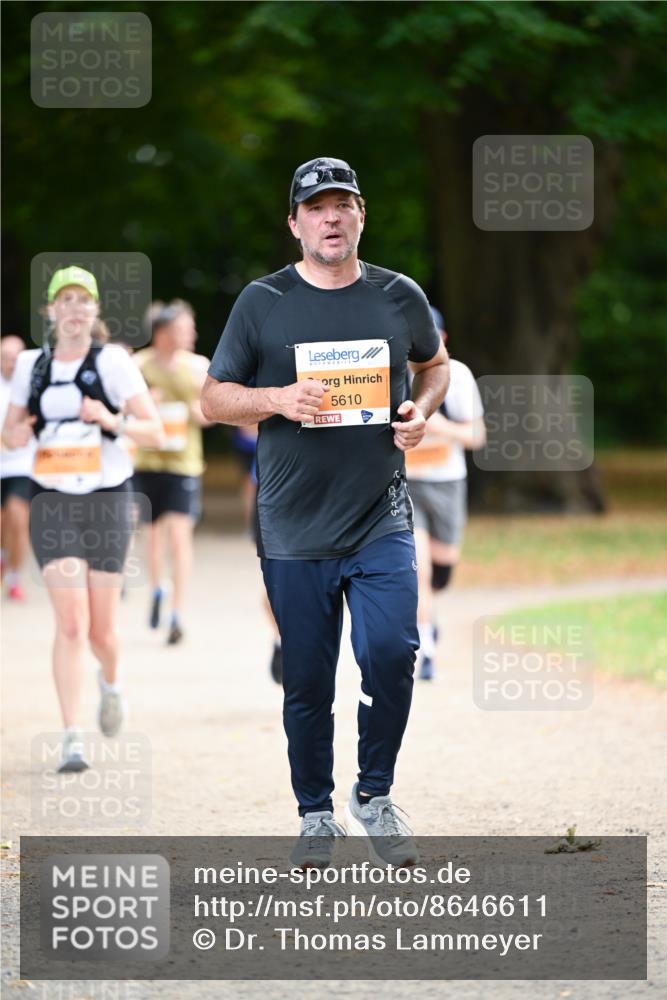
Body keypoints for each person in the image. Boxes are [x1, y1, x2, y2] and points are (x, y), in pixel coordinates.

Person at [202, 157, 449, 868]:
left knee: (390, 654)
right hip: (292, 523)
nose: (330, 218)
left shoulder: (398, 296)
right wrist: (275, 399)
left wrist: (418, 412)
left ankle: (372, 796)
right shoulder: (262, 301)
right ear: (295, 222)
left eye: (342, 204)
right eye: (316, 208)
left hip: (380, 514)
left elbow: (437, 366)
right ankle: (314, 812)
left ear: (361, 214)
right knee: (308, 679)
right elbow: (213, 399)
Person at [1, 266, 162, 772]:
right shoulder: (31, 364)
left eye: (82, 301)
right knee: (70, 624)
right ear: (50, 310)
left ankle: (110, 683)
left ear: (95, 311)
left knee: (101, 633)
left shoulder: (112, 362)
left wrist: (109, 419)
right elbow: (10, 433)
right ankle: (72, 736)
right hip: (51, 500)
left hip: (108, 499)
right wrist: (19, 434)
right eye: (64, 300)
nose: (73, 309)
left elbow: (154, 432)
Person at [406, 306, 486, 680]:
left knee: (440, 572)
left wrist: (438, 427)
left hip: (446, 483)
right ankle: (425, 646)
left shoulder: (459, 376)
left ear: (443, 338)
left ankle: (429, 614)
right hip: (404, 484)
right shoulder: (391, 376)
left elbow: (475, 437)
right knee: (416, 570)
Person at [132, 300, 212, 644]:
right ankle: (157, 589)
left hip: (183, 465)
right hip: (145, 462)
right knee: (152, 539)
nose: (190, 334)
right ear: (163, 333)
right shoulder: (138, 365)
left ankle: (178, 612)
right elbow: (121, 409)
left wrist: (197, 411)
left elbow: (212, 413)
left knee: (180, 537)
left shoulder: (198, 367)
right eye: (184, 328)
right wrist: (145, 401)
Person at [0, 335, 35, 600]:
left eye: (15, 357)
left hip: (23, 464)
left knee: (17, 516)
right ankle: (4, 555)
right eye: (5, 357)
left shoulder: (32, 385)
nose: (10, 363)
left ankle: (14, 577)